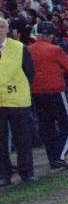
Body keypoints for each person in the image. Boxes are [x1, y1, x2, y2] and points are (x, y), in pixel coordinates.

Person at [28, 21, 68, 170]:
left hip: (36, 92)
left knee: (46, 127)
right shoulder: (55, 49)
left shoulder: (28, 49)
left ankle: (52, 158)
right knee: (67, 123)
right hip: (55, 90)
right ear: (51, 35)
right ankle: (59, 156)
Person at [0, 16, 37, 185]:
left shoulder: (20, 47)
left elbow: (29, 73)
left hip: (17, 100)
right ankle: (4, 175)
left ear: (7, 29)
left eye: (1, 26)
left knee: (22, 138)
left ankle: (26, 172)